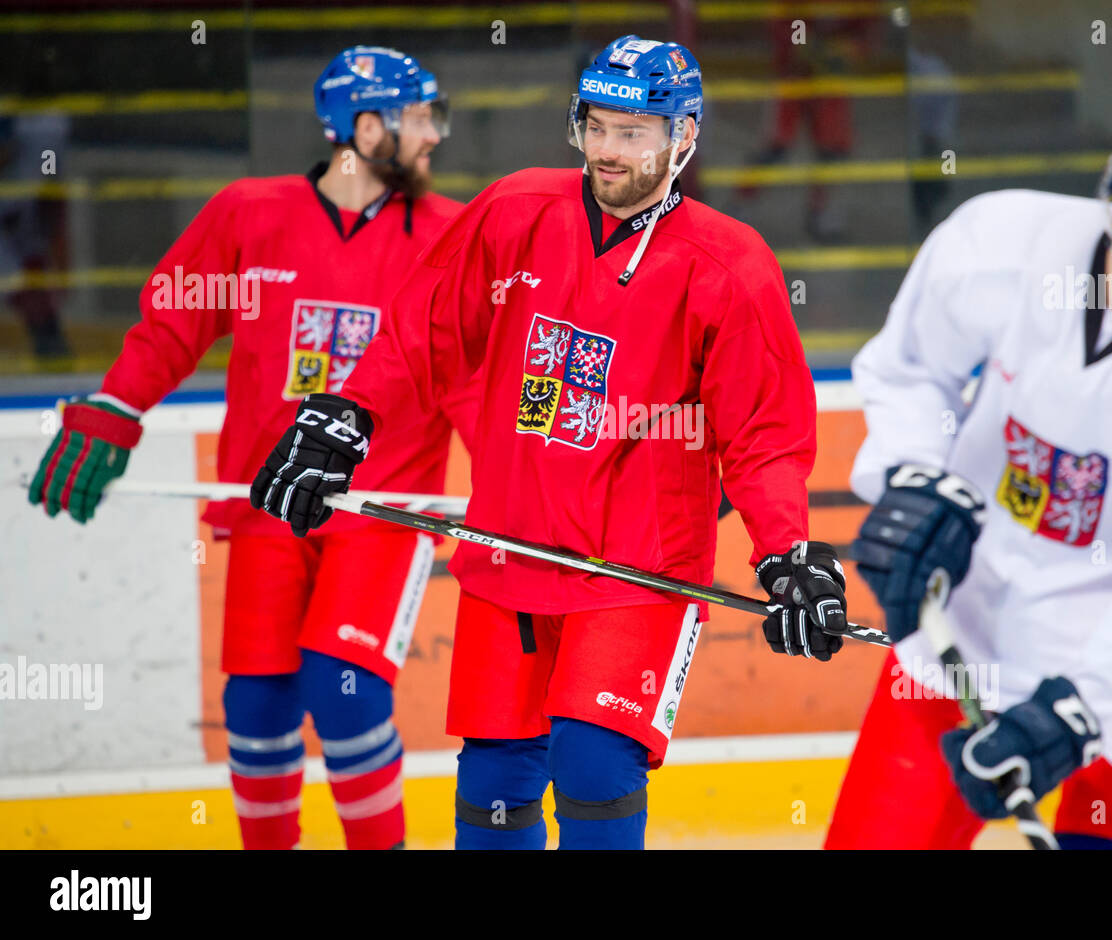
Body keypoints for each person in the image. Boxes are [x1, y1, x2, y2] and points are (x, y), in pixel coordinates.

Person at [248, 34, 851, 850]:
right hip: (509, 554)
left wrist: (786, 552)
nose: (607, 150)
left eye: (632, 132)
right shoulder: (516, 210)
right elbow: (424, 332)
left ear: (685, 137)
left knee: (594, 766)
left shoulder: (730, 264)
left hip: (637, 570)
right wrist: (346, 416)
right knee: (493, 787)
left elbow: (766, 435)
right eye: (595, 126)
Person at [827, 86, 1112, 849]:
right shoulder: (1002, 240)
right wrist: (912, 476)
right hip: (963, 634)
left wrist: (1085, 708)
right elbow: (911, 368)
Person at [28, 45, 468, 850]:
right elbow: (173, 323)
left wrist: (532, 475)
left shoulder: (454, 235)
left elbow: (485, 363)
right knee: (257, 706)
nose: (434, 137)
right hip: (271, 503)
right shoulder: (248, 213)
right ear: (365, 128)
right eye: (418, 120)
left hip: (384, 510)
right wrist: (116, 407)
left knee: (345, 698)